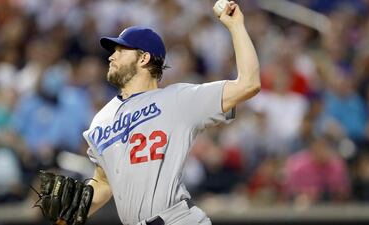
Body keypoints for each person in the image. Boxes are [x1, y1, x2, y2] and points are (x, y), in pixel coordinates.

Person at [83, 2, 260, 225]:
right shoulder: (101, 119)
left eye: (120, 51)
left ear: (144, 58)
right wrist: (70, 213)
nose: (111, 57)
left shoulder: (178, 99)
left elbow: (248, 84)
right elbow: (103, 181)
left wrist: (236, 27)